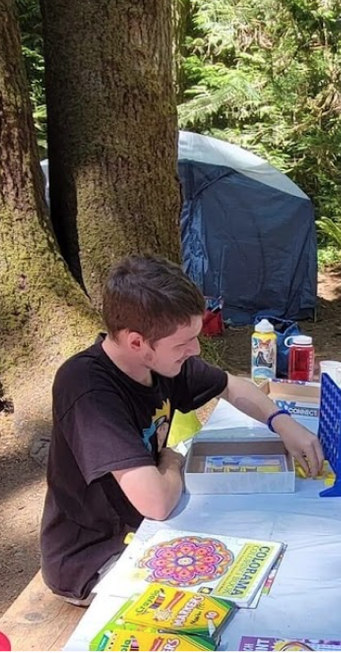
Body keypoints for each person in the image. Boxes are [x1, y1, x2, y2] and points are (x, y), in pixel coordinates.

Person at [40, 255, 324, 604]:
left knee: (276, 550)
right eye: (183, 343)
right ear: (136, 343)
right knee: (244, 597)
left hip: (150, 530)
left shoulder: (160, 364)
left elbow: (234, 387)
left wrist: (283, 423)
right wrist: (172, 461)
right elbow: (156, 502)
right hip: (96, 559)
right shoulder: (87, 388)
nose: (196, 349)